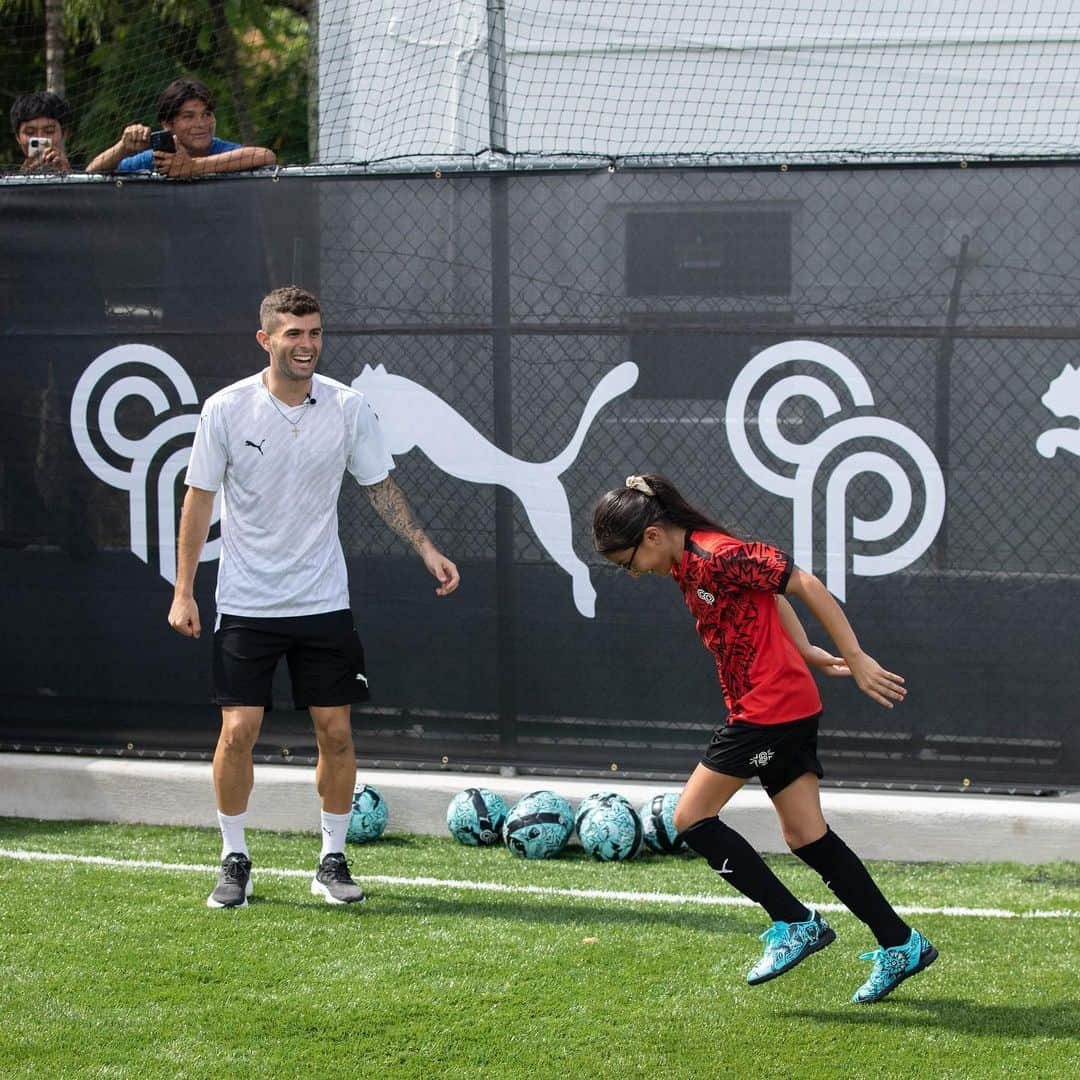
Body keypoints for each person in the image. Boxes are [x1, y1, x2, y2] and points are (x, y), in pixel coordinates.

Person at [592, 473, 937, 1005]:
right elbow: (769, 597)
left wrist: (858, 656)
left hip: (768, 713)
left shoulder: (715, 554)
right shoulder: (686, 566)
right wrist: (807, 652)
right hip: (781, 705)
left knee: (691, 819)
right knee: (806, 835)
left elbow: (804, 584)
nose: (633, 572)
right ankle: (901, 942)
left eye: (628, 561)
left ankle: (794, 921)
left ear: (653, 535)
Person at [168, 285, 459, 910]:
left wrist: (424, 547)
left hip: (323, 600)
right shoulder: (225, 410)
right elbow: (199, 499)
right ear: (265, 339)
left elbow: (379, 485)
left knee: (336, 731)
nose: (307, 345)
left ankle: (331, 859)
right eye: (293, 334)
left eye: (315, 333)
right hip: (246, 603)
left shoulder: (349, 408)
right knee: (239, 730)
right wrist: (184, 589)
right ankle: (234, 858)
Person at [86, 78, 275, 177]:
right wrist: (122, 148)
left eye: (206, 114)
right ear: (167, 124)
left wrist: (192, 168)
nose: (201, 124)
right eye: (188, 116)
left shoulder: (225, 152)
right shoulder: (156, 159)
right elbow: (90, 174)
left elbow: (265, 155)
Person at [10, 91, 72, 174]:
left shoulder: (84, 178)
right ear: (18, 137)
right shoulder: (6, 182)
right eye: (30, 132)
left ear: (64, 134)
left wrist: (68, 174)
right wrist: (23, 175)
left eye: (49, 131)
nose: (40, 138)